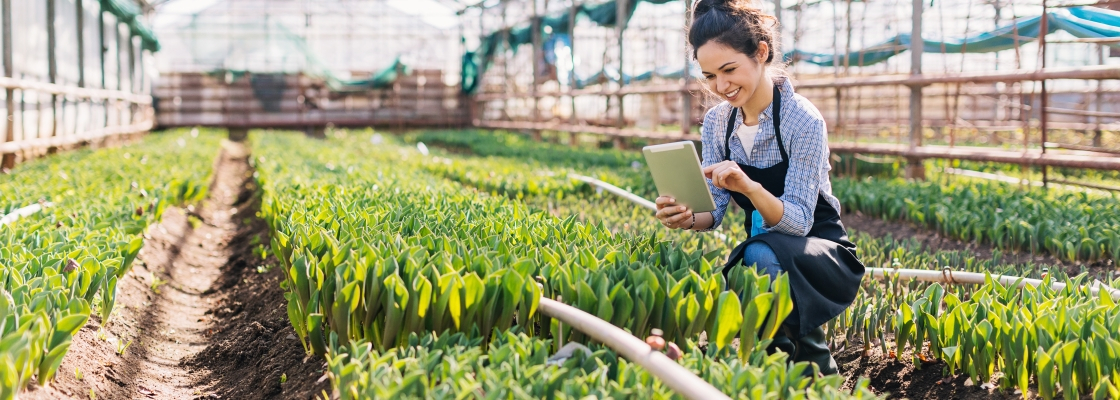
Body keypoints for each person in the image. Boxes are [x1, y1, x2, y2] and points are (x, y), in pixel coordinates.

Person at [654, 0, 865, 375]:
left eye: (729, 69)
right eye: (709, 76)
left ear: (761, 53)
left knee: (758, 255)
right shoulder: (719, 122)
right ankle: (777, 370)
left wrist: (750, 188)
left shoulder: (803, 120)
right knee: (756, 255)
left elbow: (800, 222)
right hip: (765, 247)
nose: (721, 86)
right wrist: (685, 216)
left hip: (820, 249)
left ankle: (816, 370)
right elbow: (715, 211)